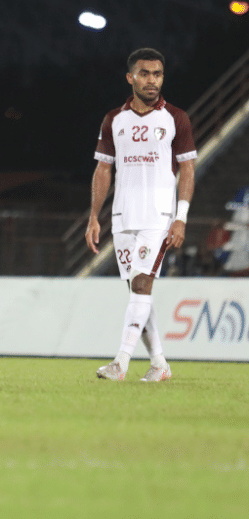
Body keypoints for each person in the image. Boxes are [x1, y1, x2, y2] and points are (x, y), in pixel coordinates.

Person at [85, 47, 196, 382]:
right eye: (145, 73)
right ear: (130, 77)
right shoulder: (114, 120)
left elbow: (188, 169)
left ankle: (120, 363)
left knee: (143, 284)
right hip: (123, 217)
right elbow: (103, 170)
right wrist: (94, 216)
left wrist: (181, 217)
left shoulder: (176, 118)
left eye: (158, 73)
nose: (152, 80)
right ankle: (160, 364)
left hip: (158, 217)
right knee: (137, 291)